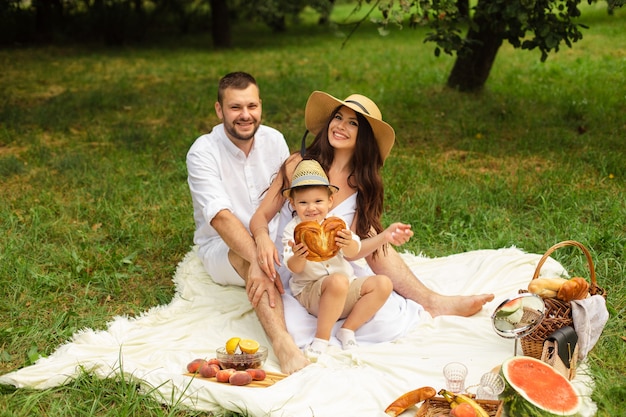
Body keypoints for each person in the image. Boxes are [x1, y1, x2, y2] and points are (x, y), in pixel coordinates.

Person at [250, 91, 494, 322]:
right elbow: (260, 217)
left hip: (336, 270)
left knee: (383, 299)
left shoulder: (362, 184)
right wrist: (262, 239)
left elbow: (353, 250)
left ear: (364, 135)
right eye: (337, 117)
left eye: (352, 123)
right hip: (296, 268)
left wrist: (386, 235)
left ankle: (430, 301)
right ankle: (429, 301)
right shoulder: (299, 165)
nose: (340, 126)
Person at [186, 71, 308, 374]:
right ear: (219, 110)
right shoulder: (202, 151)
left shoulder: (274, 139)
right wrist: (257, 259)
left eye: (252, 106)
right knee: (248, 259)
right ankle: (282, 343)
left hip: (273, 235)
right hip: (222, 247)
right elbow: (222, 219)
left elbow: (285, 198)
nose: (245, 115)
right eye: (235, 107)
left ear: (261, 106)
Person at [282, 159, 413, 361]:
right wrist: (299, 256)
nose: (311, 208)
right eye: (303, 202)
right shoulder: (293, 231)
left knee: (383, 283)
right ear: (293, 203)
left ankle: (347, 329)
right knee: (337, 280)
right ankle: (321, 338)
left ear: (330, 201)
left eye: (318, 201)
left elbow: (354, 251)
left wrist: (349, 242)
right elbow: (294, 267)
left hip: (345, 288)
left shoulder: (337, 224)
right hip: (312, 293)